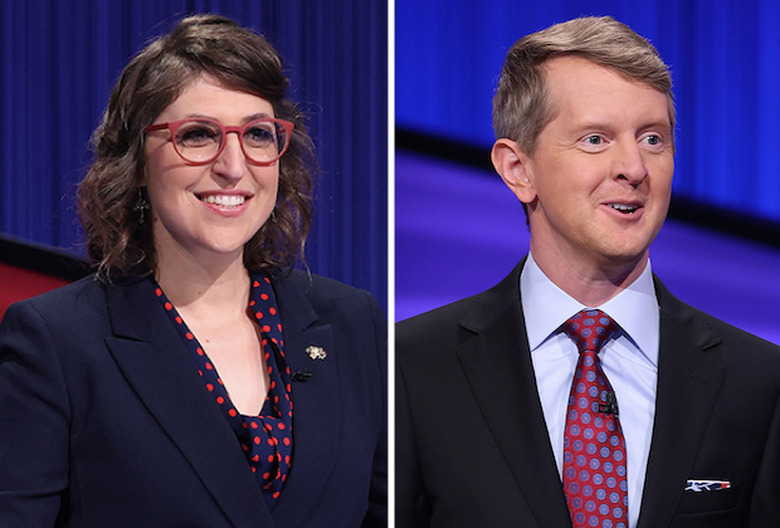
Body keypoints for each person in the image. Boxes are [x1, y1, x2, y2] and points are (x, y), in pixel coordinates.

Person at [0, 14, 386, 527]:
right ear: (137, 162)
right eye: (199, 134)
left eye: (258, 134)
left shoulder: (353, 323)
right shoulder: (56, 341)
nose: (233, 164)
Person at [396, 16, 780, 528]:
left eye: (652, 139)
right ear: (518, 169)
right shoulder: (412, 368)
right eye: (596, 139)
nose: (634, 168)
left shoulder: (759, 381)